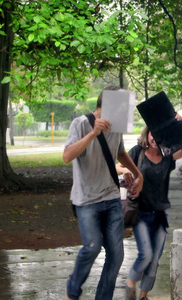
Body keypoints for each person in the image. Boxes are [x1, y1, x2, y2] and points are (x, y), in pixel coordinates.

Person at [63, 86, 144, 300]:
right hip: (86, 200)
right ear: (105, 103)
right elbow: (67, 156)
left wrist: (137, 174)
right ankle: (72, 290)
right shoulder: (80, 123)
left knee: (116, 256)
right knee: (92, 247)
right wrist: (92, 134)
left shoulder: (115, 127)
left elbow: (119, 153)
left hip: (111, 198)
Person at [116, 117, 182, 300]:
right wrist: (126, 171)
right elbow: (117, 165)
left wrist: (177, 124)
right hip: (140, 211)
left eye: (158, 135)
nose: (154, 139)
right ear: (147, 134)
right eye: (152, 134)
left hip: (160, 212)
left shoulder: (167, 156)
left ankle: (143, 296)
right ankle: (131, 283)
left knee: (155, 260)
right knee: (146, 254)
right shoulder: (137, 152)